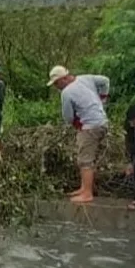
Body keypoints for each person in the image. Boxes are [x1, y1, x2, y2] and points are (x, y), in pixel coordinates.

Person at [48, 66, 110, 204]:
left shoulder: (66, 93)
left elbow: (68, 116)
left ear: (64, 79)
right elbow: (105, 80)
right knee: (86, 157)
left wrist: (76, 123)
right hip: (102, 122)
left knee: (85, 160)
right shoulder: (86, 78)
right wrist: (103, 97)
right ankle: (83, 188)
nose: (56, 87)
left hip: (89, 126)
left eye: (57, 83)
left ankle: (87, 193)